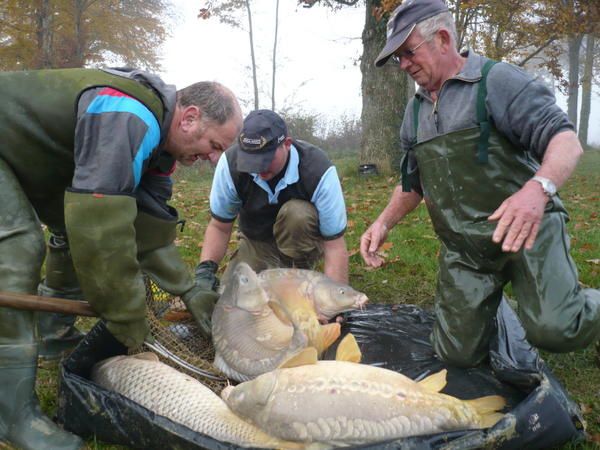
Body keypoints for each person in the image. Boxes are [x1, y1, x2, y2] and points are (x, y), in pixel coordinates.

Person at [0, 67, 242, 450]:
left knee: (69, 230)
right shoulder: (127, 116)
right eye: (214, 145)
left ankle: (54, 336)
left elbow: (148, 235)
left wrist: (189, 289)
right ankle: (12, 416)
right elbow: (101, 233)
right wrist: (126, 314)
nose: (214, 159)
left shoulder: (161, 152)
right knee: (17, 248)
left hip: (21, 158)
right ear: (190, 117)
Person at [360, 0, 600, 368]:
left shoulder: (497, 81)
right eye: (398, 58)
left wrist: (538, 190)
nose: (404, 65)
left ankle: (579, 306)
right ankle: (489, 302)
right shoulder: (414, 111)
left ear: (443, 39)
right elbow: (413, 183)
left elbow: (565, 141)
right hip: (467, 249)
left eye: (409, 53)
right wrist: (382, 223)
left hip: (528, 232)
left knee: (556, 328)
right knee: (456, 355)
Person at [196, 109, 349, 297]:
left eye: (265, 159)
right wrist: (205, 272)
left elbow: (334, 245)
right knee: (232, 299)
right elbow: (220, 226)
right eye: (251, 161)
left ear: (287, 144)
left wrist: (334, 299)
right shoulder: (230, 164)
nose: (259, 169)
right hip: (256, 241)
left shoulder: (319, 170)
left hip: (301, 242)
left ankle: (299, 273)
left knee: (297, 214)